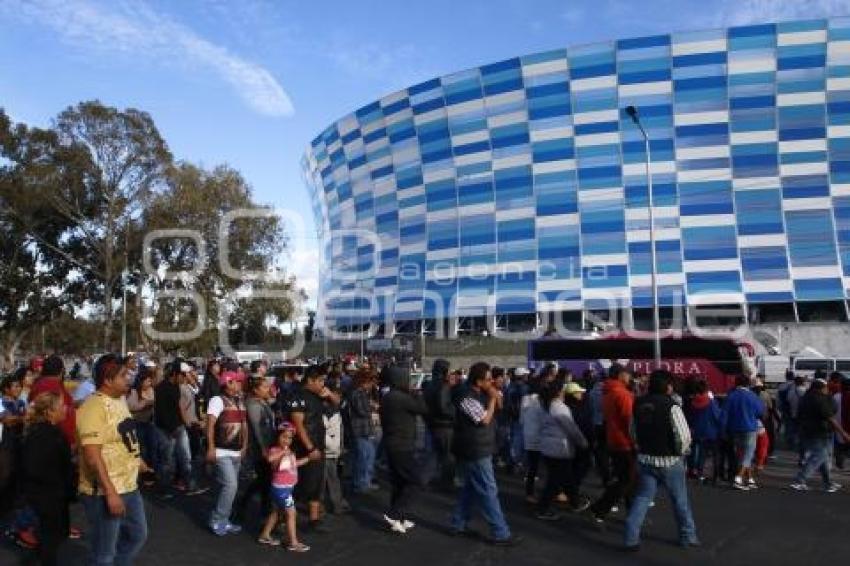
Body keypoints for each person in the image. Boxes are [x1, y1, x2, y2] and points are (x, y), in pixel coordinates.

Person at [77, 353, 148, 565]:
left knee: (137, 535)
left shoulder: (119, 400)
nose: (129, 378)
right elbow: (92, 455)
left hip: (129, 486)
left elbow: (123, 437)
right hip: (104, 492)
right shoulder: (93, 407)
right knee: (104, 554)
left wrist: (138, 459)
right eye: (123, 375)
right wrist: (110, 493)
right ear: (107, 380)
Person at [624, 370, 699, 551]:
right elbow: (683, 436)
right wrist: (682, 452)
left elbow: (632, 432)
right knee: (679, 500)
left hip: (645, 459)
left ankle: (630, 538)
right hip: (670, 461)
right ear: (668, 386)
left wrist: (640, 447)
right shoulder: (672, 406)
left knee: (642, 498)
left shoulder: (638, 403)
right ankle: (687, 536)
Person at [450, 362, 520, 546]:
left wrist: (494, 395)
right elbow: (484, 419)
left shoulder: (481, 392)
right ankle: (501, 532)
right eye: (488, 379)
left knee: (471, 489)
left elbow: (501, 406)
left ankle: (458, 522)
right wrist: (491, 398)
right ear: (479, 381)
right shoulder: (465, 396)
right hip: (474, 448)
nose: (492, 382)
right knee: (489, 490)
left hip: (482, 445)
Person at [21, 391, 74, 566]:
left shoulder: (48, 432)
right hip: (49, 495)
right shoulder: (46, 435)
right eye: (61, 406)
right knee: (52, 537)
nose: (65, 408)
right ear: (49, 412)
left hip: (50, 493)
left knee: (52, 535)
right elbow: (36, 467)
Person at [287, 365, 339, 532]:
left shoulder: (318, 396)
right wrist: (310, 448)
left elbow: (339, 403)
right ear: (310, 380)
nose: (323, 384)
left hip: (318, 446)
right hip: (304, 448)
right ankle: (282, 517)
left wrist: (329, 394)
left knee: (316, 483)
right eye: (321, 381)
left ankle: (314, 519)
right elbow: (298, 424)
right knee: (297, 484)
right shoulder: (298, 396)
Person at [379, 365, 429, 534]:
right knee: (416, 481)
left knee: (399, 483)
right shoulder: (402, 397)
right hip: (402, 445)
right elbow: (423, 409)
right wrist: (418, 394)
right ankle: (395, 514)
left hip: (392, 443)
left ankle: (399, 518)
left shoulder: (387, 397)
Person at [535, 380, 590, 521]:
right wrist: (583, 442)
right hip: (559, 448)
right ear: (559, 392)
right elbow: (572, 429)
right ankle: (543, 508)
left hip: (548, 446)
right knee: (555, 481)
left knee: (566, 478)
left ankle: (575, 502)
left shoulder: (543, 406)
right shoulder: (560, 408)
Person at [590, 365, 636, 524]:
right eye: (627, 374)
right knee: (626, 480)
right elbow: (630, 422)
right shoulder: (622, 394)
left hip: (613, 440)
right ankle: (600, 508)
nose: (629, 377)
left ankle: (633, 513)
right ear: (621, 375)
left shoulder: (607, 392)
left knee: (627, 480)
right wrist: (636, 442)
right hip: (625, 442)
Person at [257, 423, 312, 552]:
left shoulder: (289, 452)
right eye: (284, 437)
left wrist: (308, 459)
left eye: (289, 438)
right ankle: (293, 542)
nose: (286, 440)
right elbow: (270, 460)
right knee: (291, 512)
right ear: (277, 437)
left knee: (276, 512)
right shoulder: (275, 450)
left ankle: (264, 535)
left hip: (287, 488)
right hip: (281, 489)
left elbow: (293, 464)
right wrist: (283, 452)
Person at [206, 370, 248, 536]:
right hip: (221, 451)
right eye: (236, 381)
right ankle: (217, 520)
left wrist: (245, 446)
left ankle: (224, 520)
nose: (239, 384)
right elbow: (209, 425)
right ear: (228, 382)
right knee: (231, 485)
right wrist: (210, 447)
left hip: (236, 452)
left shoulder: (239, 401)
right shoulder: (217, 400)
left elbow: (244, 425)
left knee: (228, 487)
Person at [791, 378, 850, 492]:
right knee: (819, 456)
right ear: (820, 388)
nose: (827, 389)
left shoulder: (805, 398)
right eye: (825, 387)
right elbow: (830, 417)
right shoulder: (819, 400)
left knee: (824, 458)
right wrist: (843, 433)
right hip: (819, 433)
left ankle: (827, 483)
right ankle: (800, 480)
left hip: (809, 432)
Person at [237, 375, 276, 524]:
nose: (268, 389)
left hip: (267, 446)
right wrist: (264, 449)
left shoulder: (261, 401)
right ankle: (265, 513)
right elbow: (257, 429)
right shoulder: (252, 405)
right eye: (264, 387)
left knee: (263, 480)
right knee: (265, 480)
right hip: (259, 449)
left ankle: (244, 503)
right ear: (255, 389)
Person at [720, 375, 765, 490]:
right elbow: (760, 411)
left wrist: (723, 430)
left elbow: (724, 415)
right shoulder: (752, 396)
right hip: (749, 427)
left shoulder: (731, 396)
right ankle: (739, 478)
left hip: (733, 428)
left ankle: (750, 479)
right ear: (748, 383)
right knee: (748, 454)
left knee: (741, 453)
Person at [29, 355, 76, 449]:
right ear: (62, 370)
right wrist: (70, 441)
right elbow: (59, 414)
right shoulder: (53, 386)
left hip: (44, 437)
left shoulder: (38, 384)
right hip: (55, 441)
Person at [424, 358, 457, 490]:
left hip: (433, 424)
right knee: (448, 456)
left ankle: (423, 478)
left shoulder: (429, 384)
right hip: (444, 425)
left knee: (434, 455)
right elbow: (444, 407)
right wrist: (455, 411)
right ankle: (447, 483)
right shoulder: (443, 385)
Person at [349, 369, 379, 493]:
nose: (372, 385)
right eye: (371, 382)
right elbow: (362, 410)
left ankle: (362, 481)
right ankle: (362, 483)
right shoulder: (359, 393)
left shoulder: (358, 392)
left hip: (362, 429)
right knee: (365, 457)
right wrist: (373, 408)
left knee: (364, 456)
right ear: (365, 381)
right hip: (361, 430)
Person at [127, 366, 157, 486]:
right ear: (141, 381)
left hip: (149, 422)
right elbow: (131, 407)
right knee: (141, 449)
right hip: (137, 423)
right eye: (148, 381)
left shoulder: (151, 390)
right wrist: (145, 403)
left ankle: (149, 474)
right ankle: (141, 475)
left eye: (150, 381)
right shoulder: (134, 392)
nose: (150, 383)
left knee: (150, 449)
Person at [520, 374, 544, 503]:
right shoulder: (540, 401)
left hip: (528, 436)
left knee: (532, 467)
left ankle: (529, 493)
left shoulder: (525, 399)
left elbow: (521, 420)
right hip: (541, 437)